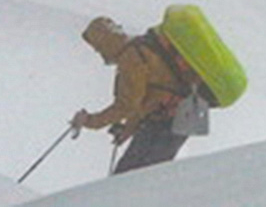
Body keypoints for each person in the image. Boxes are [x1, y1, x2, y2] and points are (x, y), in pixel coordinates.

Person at [71, 16, 190, 174]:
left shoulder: (131, 58)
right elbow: (144, 99)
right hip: (180, 114)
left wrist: (90, 121)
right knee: (138, 175)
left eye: (98, 48)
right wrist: (128, 129)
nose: (99, 53)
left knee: (136, 177)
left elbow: (127, 105)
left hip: (169, 118)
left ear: (106, 42)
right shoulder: (138, 48)